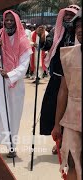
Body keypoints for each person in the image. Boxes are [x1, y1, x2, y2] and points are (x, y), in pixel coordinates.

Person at [0, 10, 32, 158]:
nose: (9, 23)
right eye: (7, 20)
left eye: (12, 20)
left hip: (15, 84)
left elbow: (24, 65)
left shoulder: (23, 40)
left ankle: (12, 147)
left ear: (16, 22)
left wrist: (10, 74)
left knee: (12, 114)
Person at [38, 5, 80, 155]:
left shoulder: (78, 32)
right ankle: (59, 142)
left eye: (71, 15)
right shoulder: (57, 32)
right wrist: (42, 36)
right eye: (66, 14)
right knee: (54, 111)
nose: (68, 17)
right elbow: (46, 45)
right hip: (57, 78)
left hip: (75, 81)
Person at [51, 9, 81, 180]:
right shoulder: (68, 56)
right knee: (71, 160)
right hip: (72, 118)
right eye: (79, 28)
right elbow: (63, 90)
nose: (81, 32)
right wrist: (57, 124)